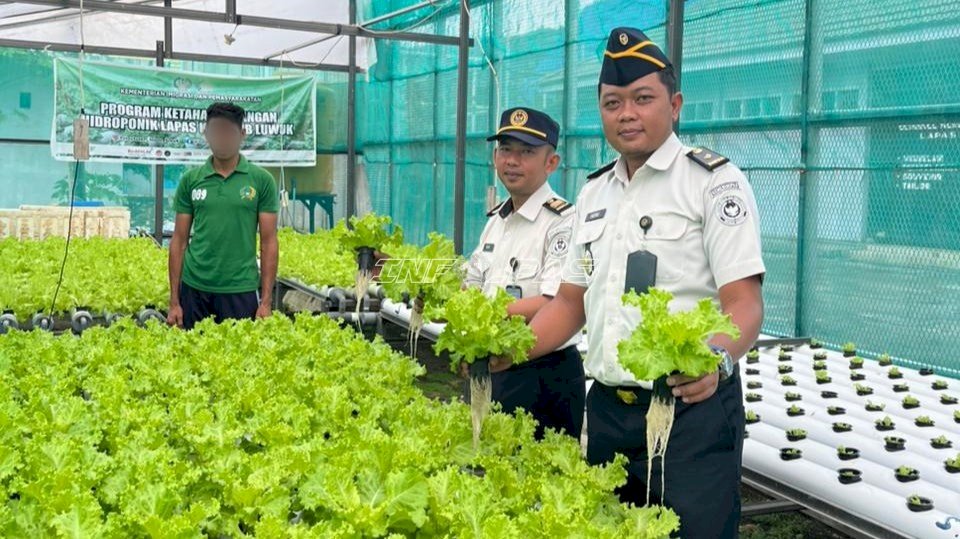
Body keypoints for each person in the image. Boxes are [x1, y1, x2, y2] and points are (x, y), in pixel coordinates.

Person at [491, 28, 766, 538]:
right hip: (608, 413)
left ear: (674, 105)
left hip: (689, 410)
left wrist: (716, 359)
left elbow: (744, 302)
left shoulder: (712, 182)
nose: (626, 114)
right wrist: (512, 350)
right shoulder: (594, 192)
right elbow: (569, 303)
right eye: (612, 103)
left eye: (643, 99)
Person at [463, 107, 585, 440]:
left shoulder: (563, 221)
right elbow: (470, 287)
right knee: (486, 459)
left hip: (544, 374)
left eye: (527, 152)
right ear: (494, 157)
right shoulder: (496, 221)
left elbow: (555, 300)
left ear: (551, 163)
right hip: (493, 365)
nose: (512, 161)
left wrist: (486, 315)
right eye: (506, 150)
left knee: (541, 468)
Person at [167, 102, 279, 330]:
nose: (222, 138)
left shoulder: (261, 180)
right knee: (192, 350)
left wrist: (266, 301)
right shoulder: (191, 180)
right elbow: (179, 241)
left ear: (242, 134)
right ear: (206, 134)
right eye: (216, 131)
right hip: (195, 288)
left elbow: (269, 242)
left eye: (228, 132)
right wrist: (174, 301)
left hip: (240, 288)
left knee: (238, 351)